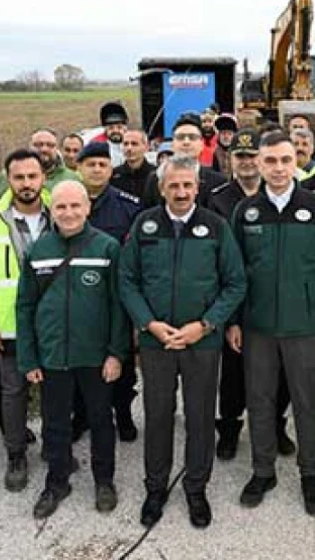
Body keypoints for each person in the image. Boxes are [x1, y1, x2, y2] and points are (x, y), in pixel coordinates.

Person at [119, 155, 246, 529]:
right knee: (158, 415)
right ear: (161, 188)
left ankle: (195, 487)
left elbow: (235, 283)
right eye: (173, 185)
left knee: (200, 416)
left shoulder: (216, 226)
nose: (181, 191)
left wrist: (205, 325)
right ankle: (155, 488)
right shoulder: (144, 225)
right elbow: (126, 280)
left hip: (201, 342)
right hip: (157, 342)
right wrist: (148, 324)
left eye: (187, 185)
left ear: (197, 187)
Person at [230, 130, 315, 517]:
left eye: (285, 160)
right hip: (258, 326)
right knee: (259, 399)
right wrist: (234, 322)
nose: (278, 169)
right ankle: (263, 471)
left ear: (297, 161)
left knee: (307, 400)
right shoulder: (246, 212)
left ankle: (310, 473)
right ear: (258, 163)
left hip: (304, 324)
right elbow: (234, 273)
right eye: (270, 161)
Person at [17, 181, 128, 519]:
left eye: (75, 206)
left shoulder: (107, 248)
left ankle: (104, 480)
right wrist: (29, 357)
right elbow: (25, 306)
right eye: (61, 207)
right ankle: (57, 482)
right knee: (55, 423)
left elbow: (118, 306)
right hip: (53, 357)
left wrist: (116, 353)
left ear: (87, 208)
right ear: (53, 209)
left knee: (100, 420)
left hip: (95, 357)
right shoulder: (38, 250)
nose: (68, 213)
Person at [206, 129, 296, 461]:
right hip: (233, 298)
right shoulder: (216, 198)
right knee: (233, 372)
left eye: (250, 156)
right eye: (239, 156)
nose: (245, 163)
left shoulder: (278, 196)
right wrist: (229, 317)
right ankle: (229, 428)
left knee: (281, 370)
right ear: (230, 159)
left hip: (272, 298)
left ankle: (275, 424)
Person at [0, 148, 47, 492]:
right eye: (19, 177)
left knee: (56, 390)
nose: (26, 184)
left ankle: (56, 447)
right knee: (14, 392)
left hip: (53, 326)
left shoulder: (60, 215)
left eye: (32, 176)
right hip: (11, 327)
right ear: (7, 179)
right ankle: (16, 454)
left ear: (43, 177)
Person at [77, 140, 141, 441]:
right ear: (79, 168)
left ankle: (123, 415)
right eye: (91, 164)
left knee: (122, 366)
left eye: (103, 164)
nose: (97, 169)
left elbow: (137, 258)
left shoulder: (128, 206)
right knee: (82, 363)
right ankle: (83, 416)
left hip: (117, 299)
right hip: (80, 301)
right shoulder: (67, 204)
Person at [140, 115, 227, 209]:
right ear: (172, 144)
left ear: (201, 144)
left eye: (192, 137)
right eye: (180, 137)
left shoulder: (218, 181)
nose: (186, 142)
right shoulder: (155, 179)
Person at [0, 128, 81, 196]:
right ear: (29, 146)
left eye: (50, 145)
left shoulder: (71, 178)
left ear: (57, 149)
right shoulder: (8, 176)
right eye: (38, 145)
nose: (44, 149)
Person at [110, 127, 155, 199]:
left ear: (146, 147)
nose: (129, 148)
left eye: (134, 144)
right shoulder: (113, 175)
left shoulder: (156, 174)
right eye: (125, 144)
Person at [91, 101, 129, 167]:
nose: (115, 131)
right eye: (111, 128)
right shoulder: (96, 145)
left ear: (125, 128)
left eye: (119, 127)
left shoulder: (134, 142)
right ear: (105, 129)